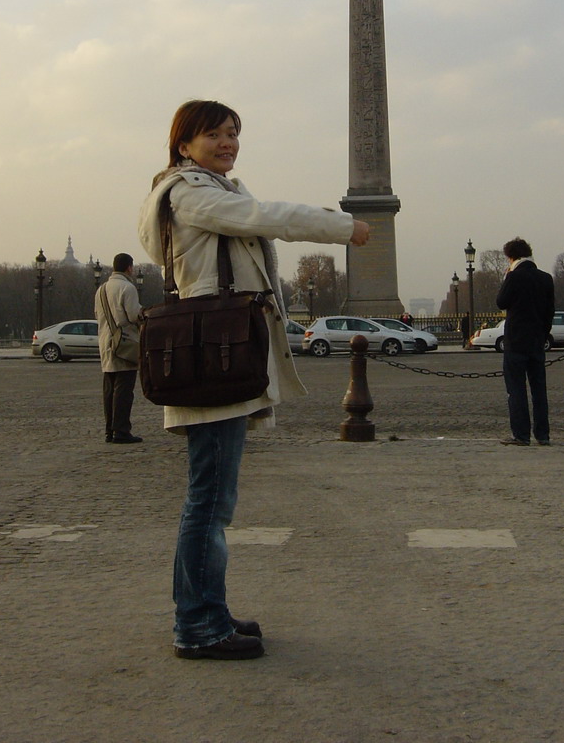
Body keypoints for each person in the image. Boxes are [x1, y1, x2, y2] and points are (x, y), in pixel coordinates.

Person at [138, 99, 370, 661]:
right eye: (214, 134)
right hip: (213, 358)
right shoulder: (191, 195)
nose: (228, 143)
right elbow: (266, 217)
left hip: (218, 356)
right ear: (183, 143)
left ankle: (206, 611)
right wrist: (342, 227)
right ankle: (196, 627)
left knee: (212, 500)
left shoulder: (209, 192)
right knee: (209, 502)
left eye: (234, 133)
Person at [495, 237, 555, 446]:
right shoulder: (546, 278)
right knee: (539, 390)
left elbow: (501, 302)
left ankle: (521, 435)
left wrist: (507, 278)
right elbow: (550, 312)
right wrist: (542, 333)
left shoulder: (514, 277)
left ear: (511, 256)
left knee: (516, 390)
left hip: (516, 341)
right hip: (537, 340)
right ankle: (543, 434)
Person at [94, 253, 143, 444]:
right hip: (124, 343)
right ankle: (121, 430)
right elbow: (132, 316)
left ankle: (109, 430)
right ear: (129, 268)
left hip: (105, 342)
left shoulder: (101, 289)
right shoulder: (127, 287)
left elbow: (98, 315)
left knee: (109, 389)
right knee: (124, 390)